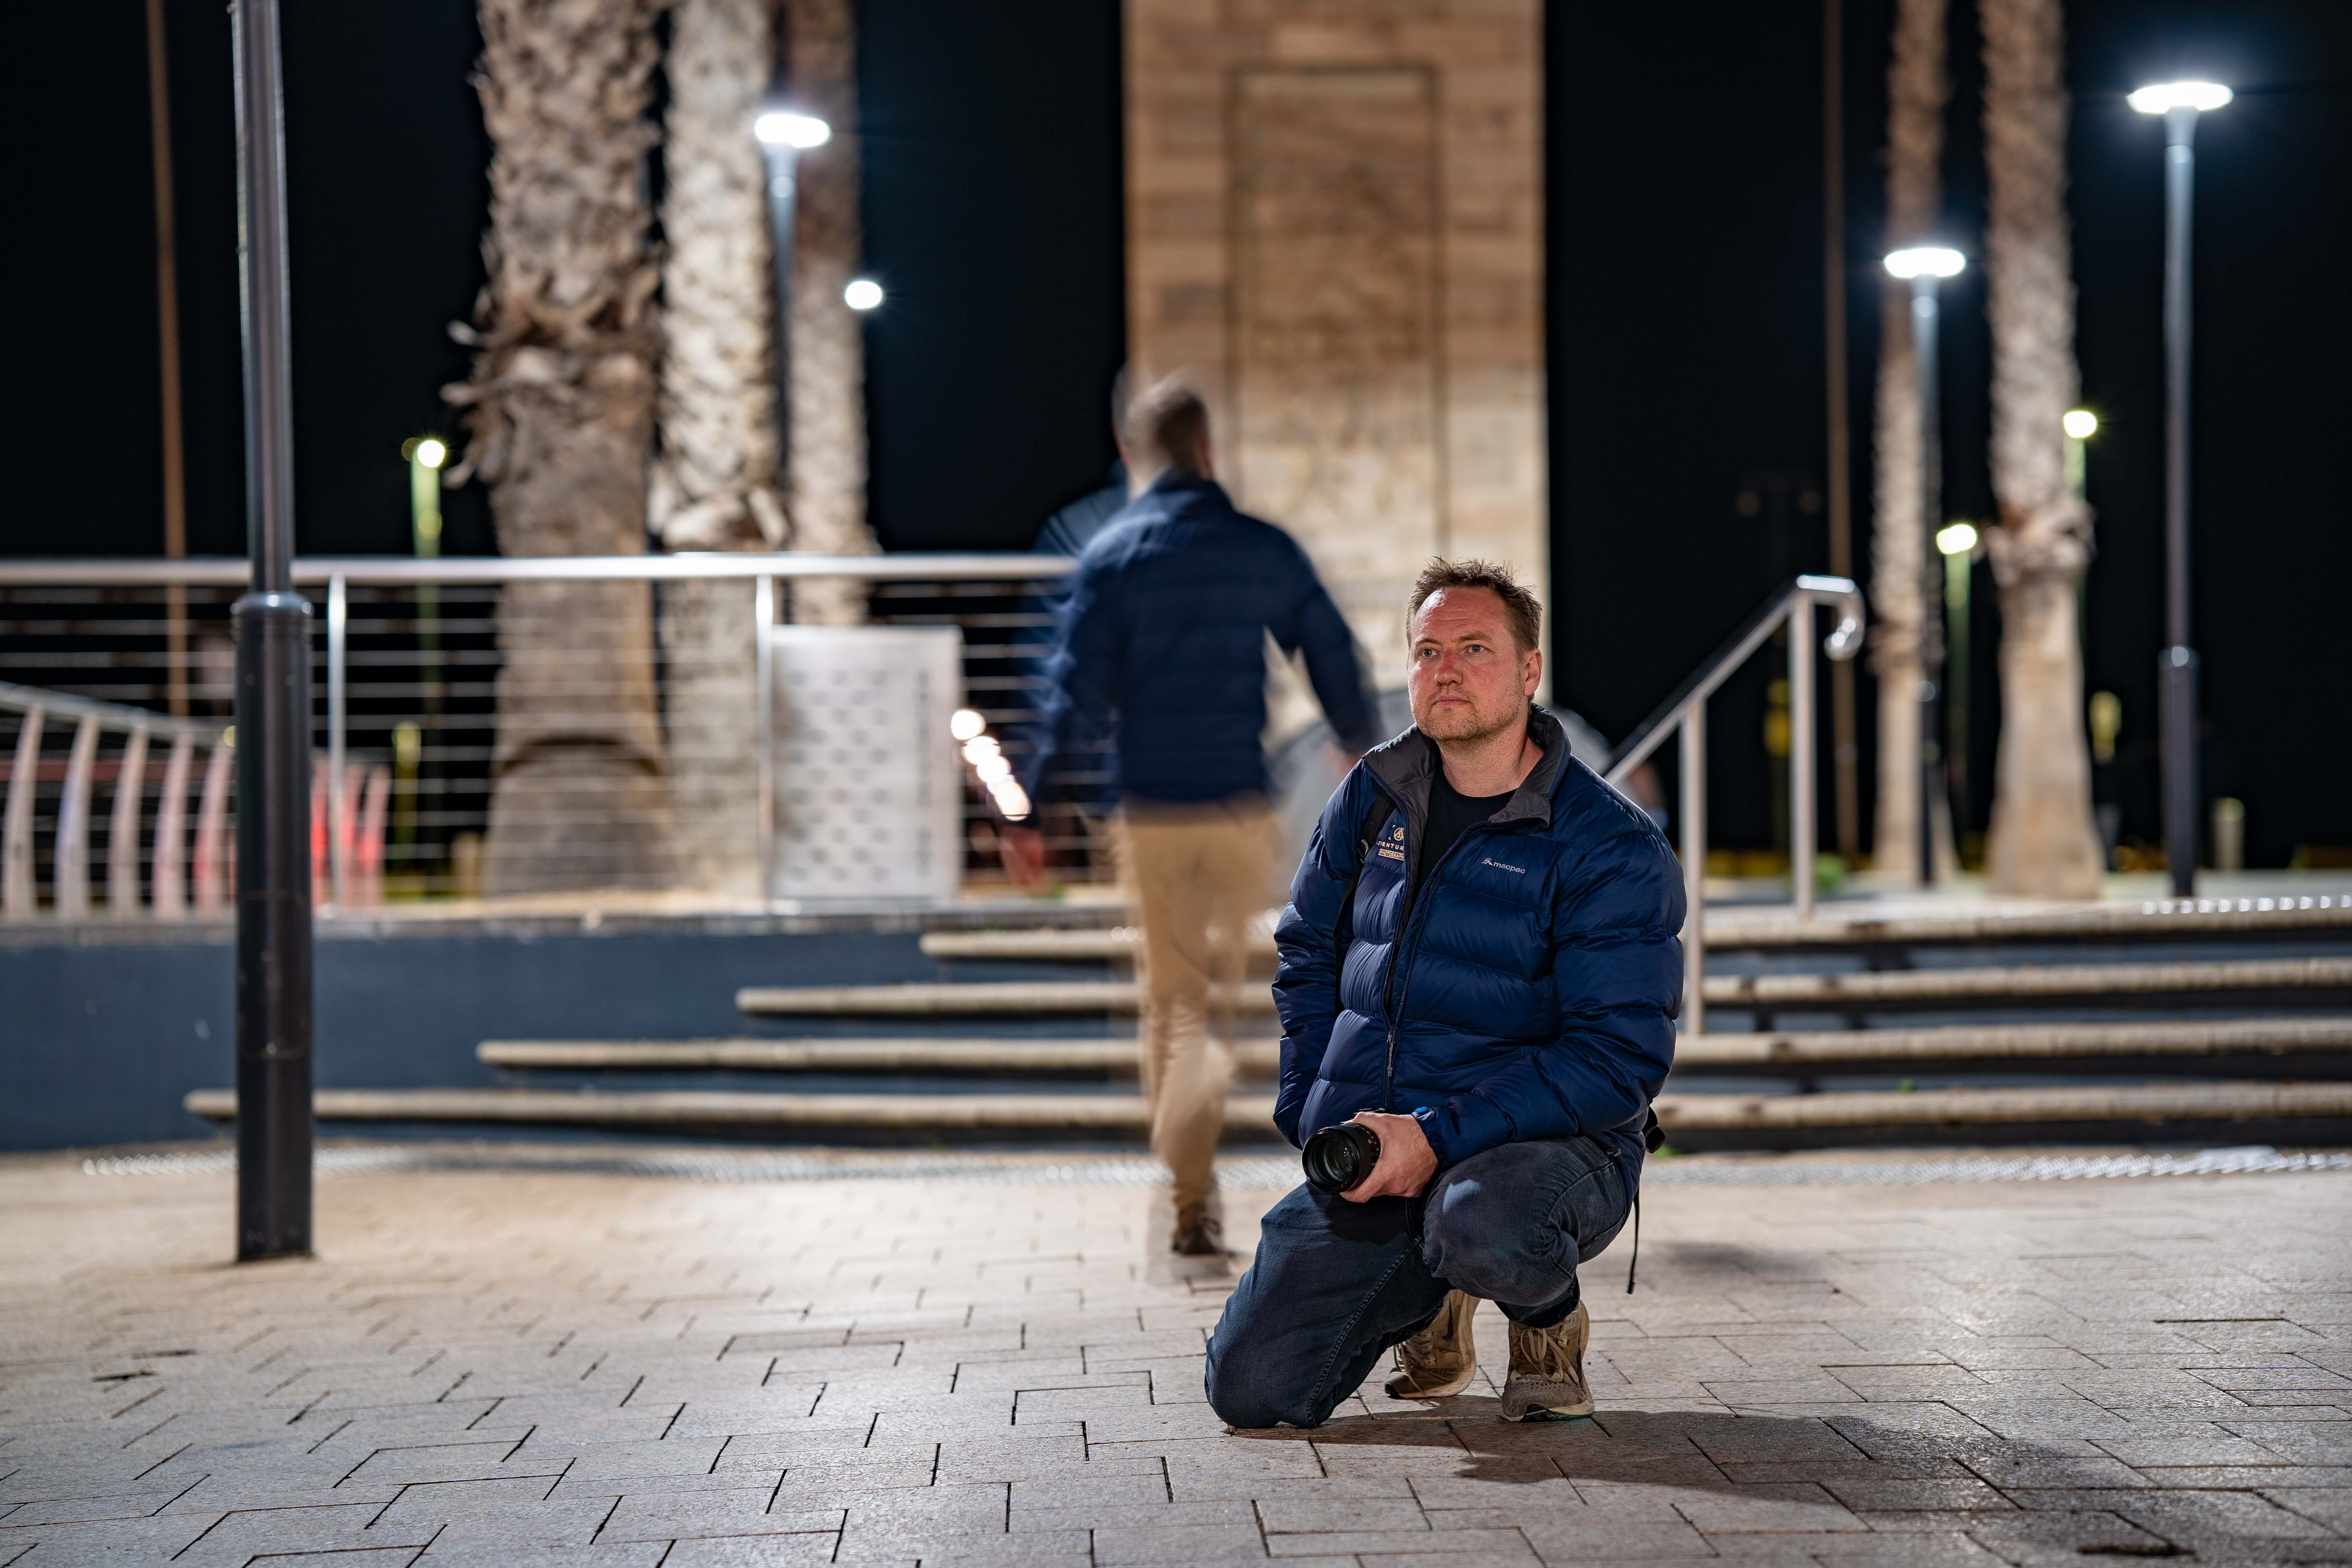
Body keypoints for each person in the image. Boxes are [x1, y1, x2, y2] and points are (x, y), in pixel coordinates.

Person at [1201, 559, 1683, 1426]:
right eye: (1427, 650)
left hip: (1546, 1150)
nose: (1446, 670)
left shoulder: (1609, 846)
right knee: (1252, 1390)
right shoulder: (1372, 797)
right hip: (1387, 1145)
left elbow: (1616, 1058)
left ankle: (1545, 1318)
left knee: (1483, 1226)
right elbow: (1307, 952)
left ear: (1530, 671)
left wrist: (1437, 1134)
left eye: (1473, 647)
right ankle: (1435, 1297)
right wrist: (1310, 1106)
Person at [1002, 375, 1379, 1256]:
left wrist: (1035, 808)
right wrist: (1357, 741)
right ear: (1209, 450)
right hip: (1237, 809)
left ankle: (1188, 1190)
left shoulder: (1113, 555)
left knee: (1173, 1008)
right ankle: (1206, 1157)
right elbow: (1326, 640)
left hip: (1149, 816)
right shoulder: (1258, 545)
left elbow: (1075, 697)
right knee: (1223, 1002)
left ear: (1135, 455)